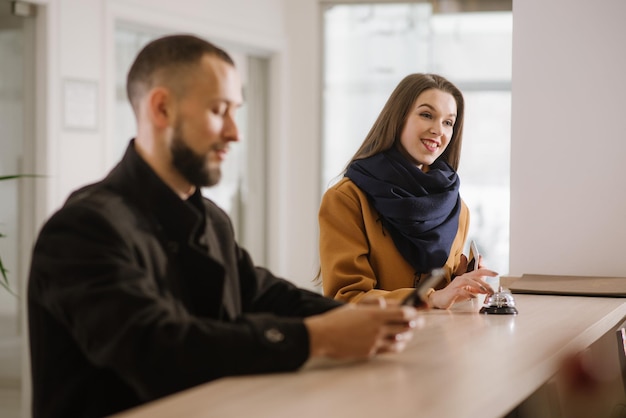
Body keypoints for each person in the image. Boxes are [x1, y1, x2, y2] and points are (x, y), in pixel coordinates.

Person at [27, 34, 421, 418]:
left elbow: (265, 295)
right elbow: (159, 349)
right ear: (161, 109)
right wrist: (318, 338)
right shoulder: (83, 228)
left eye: (237, 111)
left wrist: (370, 320)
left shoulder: (211, 219)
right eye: (219, 111)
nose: (235, 132)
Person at [318, 73, 497, 309]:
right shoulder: (347, 199)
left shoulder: (456, 208)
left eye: (448, 122)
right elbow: (347, 298)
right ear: (398, 118)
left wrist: (458, 283)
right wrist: (430, 298)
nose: (438, 130)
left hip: (437, 342)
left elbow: (440, 298)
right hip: (377, 342)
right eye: (426, 115)